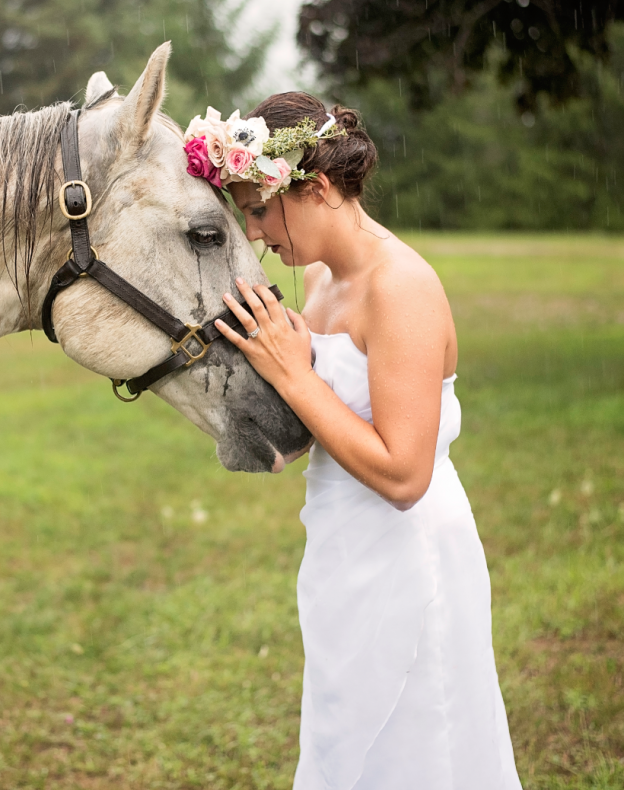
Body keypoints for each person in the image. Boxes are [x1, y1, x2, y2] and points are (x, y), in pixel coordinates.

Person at [204, 93, 522, 789]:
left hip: (411, 559)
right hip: (341, 548)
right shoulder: (318, 278)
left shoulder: (401, 287)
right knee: (346, 740)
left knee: (418, 747)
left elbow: (406, 476)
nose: (255, 233)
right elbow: (323, 418)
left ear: (316, 188)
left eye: (259, 209)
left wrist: (295, 374)